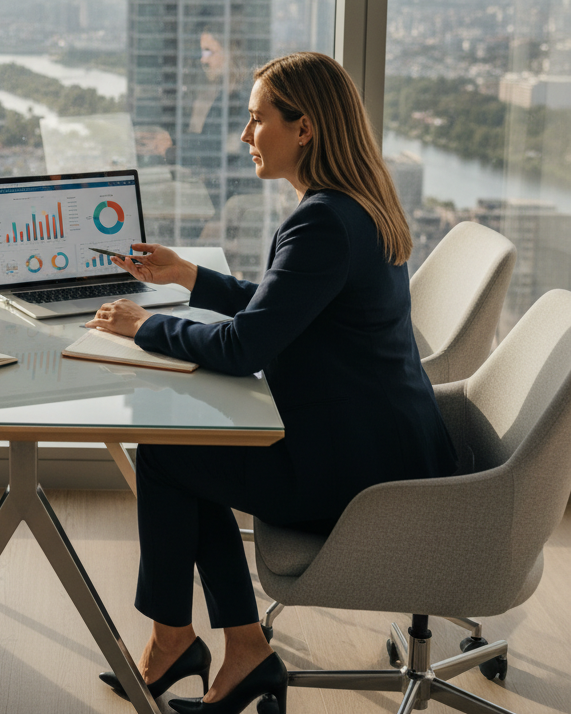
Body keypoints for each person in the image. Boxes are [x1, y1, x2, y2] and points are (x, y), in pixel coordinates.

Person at [86, 52, 457, 713]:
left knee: (170, 455)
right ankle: (225, 648)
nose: (245, 134)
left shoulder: (320, 223)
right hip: (389, 447)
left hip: (360, 480)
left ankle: (187, 642)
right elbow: (284, 305)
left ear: (305, 128)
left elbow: (243, 345)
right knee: (182, 452)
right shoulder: (355, 207)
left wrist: (143, 326)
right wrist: (190, 277)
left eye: (257, 120)